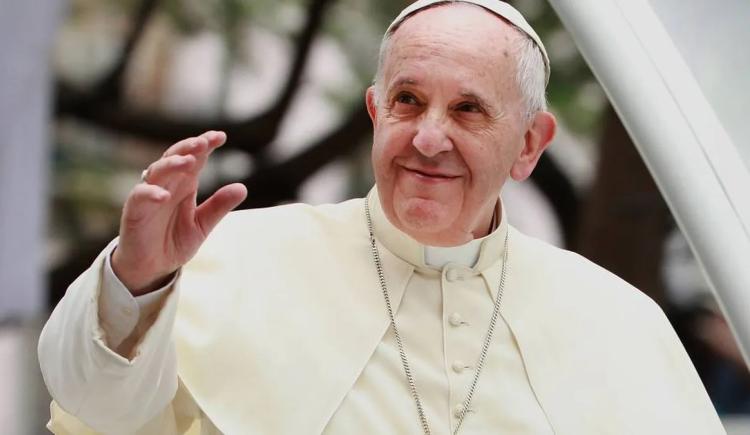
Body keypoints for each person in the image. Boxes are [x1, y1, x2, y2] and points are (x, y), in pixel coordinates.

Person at [38, 0, 726, 434]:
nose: (429, 137)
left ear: (529, 145)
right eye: (407, 100)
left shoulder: (619, 320)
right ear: (375, 113)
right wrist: (136, 281)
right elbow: (100, 412)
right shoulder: (230, 258)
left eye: (467, 109)